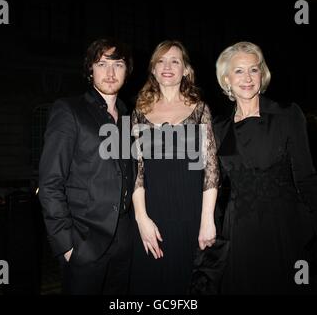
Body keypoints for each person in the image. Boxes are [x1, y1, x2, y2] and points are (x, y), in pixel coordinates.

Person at [212, 41, 317, 294]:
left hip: (287, 228)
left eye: (254, 70)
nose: (247, 78)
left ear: (262, 74)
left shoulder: (288, 115)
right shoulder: (218, 128)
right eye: (238, 71)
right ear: (226, 79)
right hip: (240, 232)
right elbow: (210, 185)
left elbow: (307, 178)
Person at [38, 38, 134, 295]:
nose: (111, 73)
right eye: (102, 64)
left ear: (127, 71)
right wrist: (66, 245)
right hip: (84, 242)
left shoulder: (129, 118)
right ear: (90, 70)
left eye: (118, 64)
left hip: (125, 241)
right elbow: (49, 184)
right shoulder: (69, 110)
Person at [129, 40, 219, 294]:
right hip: (152, 215)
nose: (167, 66)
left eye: (175, 61)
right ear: (153, 70)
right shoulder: (139, 111)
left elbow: (211, 169)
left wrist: (207, 220)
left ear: (186, 70)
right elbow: (137, 170)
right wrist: (141, 218)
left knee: (188, 286)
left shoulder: (200, 109)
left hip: (191, 214)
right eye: (161, 61)